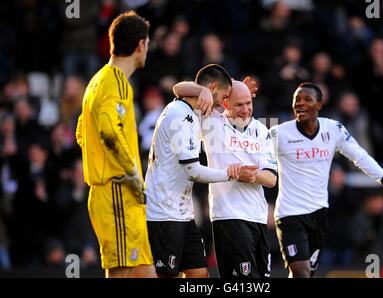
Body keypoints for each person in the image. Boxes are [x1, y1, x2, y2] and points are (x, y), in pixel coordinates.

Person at [269, 82, 383, 278]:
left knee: (307, 274)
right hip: (289, 215)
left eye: (307, 99)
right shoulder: (278, 133)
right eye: (297, 99)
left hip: (319, 213)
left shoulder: (333, 129)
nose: (300, 104)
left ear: (319, 105)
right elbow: (255, 158)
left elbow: (359, 156)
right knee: (301, 273)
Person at [75, 11, 158, 278]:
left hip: (121, 194)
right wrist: (132, 173)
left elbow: (81, 132)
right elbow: (109, 131)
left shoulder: (97, 81)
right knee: (121, 272)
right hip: (118, 190)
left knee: (145, 270)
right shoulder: (117, 84)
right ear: (141, 45)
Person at [145, 64, 243, 278]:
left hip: (182, 214)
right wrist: (231, 173)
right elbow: (193, 171)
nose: (221, 105)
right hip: (163, 213)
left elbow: (178, 88)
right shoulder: (182, 117)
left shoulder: (187, 109)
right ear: (212, 87)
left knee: (199, 274)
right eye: (223, 97)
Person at [174, 80, 277, 278]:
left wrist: (249, 175)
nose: (246, 109)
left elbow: (271, 178)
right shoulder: (212, 122)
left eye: (249, 103)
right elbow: (178, 89)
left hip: (258, 217)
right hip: (228, 217)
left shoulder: (261, 130)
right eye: (239, 104)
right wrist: (203, 90)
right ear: (225, 102)